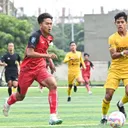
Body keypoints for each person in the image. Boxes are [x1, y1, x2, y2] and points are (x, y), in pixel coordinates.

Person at [3, 13, 62, 125]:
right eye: (47, 24)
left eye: (51, 24)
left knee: (53, 84)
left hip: (40, 68)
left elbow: (44, 50)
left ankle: (53, 116)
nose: (50, 26)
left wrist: (50, 62)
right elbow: (29, 53)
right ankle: (8, 102)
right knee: (20, 96)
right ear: (40, 24)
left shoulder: (49, 37)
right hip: (27, 69)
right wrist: (48, 57)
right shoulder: (35, 36)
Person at [100, 12, 128, 124]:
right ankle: (104, 116)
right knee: (109, 95)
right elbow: (113, 56)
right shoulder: (112, 38)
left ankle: (120, 104)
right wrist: (123, 53)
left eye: (122, 22)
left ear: (126, 23)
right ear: (115, 23)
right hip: (115, 70)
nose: (120, 24)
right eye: (118, 22)